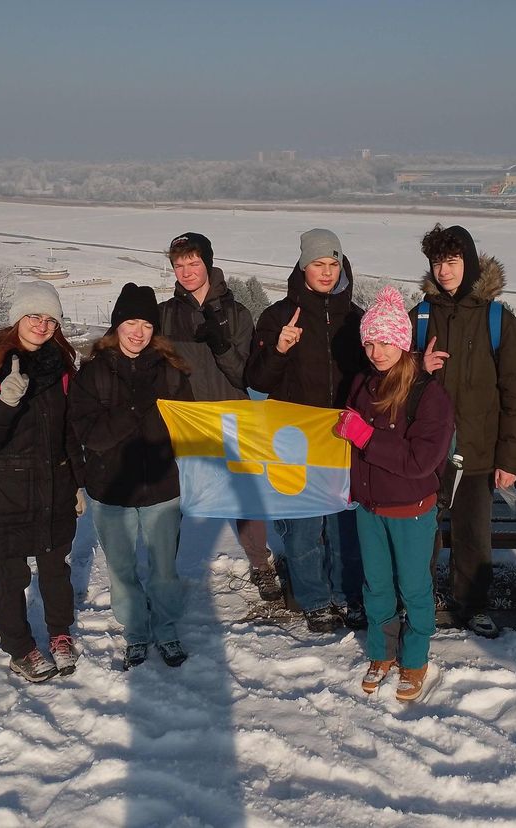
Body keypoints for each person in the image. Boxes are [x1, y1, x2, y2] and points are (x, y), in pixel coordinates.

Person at [413, 224, 516, 639]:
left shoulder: (498, 320)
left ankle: (473, 605)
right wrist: (417, 368)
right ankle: (418, 602)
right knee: (421, 534)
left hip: (478, 453)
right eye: (437, 263)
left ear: (470, 261)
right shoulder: (420, 316)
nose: (444, 271)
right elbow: (389, 378)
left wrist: (510, 459)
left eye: (452, 261)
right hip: (423, 454)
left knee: (472, 536)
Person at [336, 286, 454, 701]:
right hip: (369, 506)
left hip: (411, 509)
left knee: (414, 586)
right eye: (369, 342)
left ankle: (415, 656)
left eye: (385, 341)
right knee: (377, 585)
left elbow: (419, 461)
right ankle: (381, 652)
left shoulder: (429, 395)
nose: (376, 351)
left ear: (402, 343)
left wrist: (365, 436)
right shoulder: (362, 385)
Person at [0, 281, 84, 682]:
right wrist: (5, 402)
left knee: (55, 569)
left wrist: (78, 483)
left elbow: (70, 432)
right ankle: (19, 648)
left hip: (53, 485)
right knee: (12, 576)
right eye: (34, 315)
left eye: (50, 319)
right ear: (17, 318)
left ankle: (60, 633)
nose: (42, 324)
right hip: (5, 491)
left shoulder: (63, 372)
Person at [68, 283, 194, 670]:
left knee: (165, 569)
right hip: (112, 490)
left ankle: (167, 630)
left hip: (162, 488)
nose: (138, 332)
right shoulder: (92, 374)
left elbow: (186, 428)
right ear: (116, 326)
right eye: (130, 323)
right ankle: (136, 633)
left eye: (146, 324)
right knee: (122, 571)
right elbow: (90, 434)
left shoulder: (171, 371)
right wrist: (135, 409)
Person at [246, 228, 366, 634]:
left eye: (333, 264)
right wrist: (279, 349)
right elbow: (258, 381)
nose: (327, 272)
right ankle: (314, 600)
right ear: (303, 266)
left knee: (342, 524)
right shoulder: (278, 317)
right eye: (318, 264)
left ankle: (346, 595)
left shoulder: (357, 318)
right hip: (294, 442)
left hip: (344, 441)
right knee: (303, 526)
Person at [158, 231, 282, 604]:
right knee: (172, 499)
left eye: (193, 263)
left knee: (245, 497)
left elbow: (248, 375)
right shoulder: (164, 314)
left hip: (232, 416)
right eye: (179, 265)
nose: (186, 271)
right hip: (185, 420)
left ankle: (261, 564)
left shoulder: (237, 314)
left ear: (208, 263)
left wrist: (221, 345)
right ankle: (165, 574)